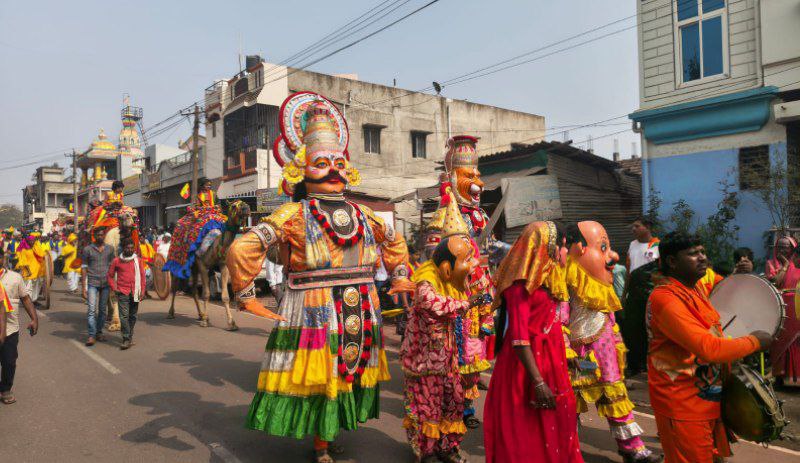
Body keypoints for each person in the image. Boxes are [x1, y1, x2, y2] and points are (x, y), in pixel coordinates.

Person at [225, 92, 413, 463]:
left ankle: (328, 435)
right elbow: (241, 249)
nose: (333, 169)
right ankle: (321, 443)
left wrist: (401, 275)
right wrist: (246, 295)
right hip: (314, 307)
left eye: (338, 162)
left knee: (346, 373)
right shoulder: (293, 214)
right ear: (301, 168)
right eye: (321, 162)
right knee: (322, 375)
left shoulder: (363, 213)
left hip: (359, 303)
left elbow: (396, 242)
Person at [647, 231, 772, 462]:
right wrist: (754, 341)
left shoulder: (694, 288)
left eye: (703, 252)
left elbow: (730, 294)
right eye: (693, 254)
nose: (702, 257)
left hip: (705, 398)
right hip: (682, 403)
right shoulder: (665, 299)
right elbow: (709, 348)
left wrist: (741, 275)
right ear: (672, 262)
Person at [484, 221, 583, 463]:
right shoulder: (519, 286)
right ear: (546, 247)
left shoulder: (550, 278)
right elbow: (519, 338)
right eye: (561, 246)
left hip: (551, 360)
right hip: (524, 368)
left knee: (558, 422)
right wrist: (538, 382)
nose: (565, 251)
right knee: (525, 431)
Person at [564, 221, 658, 463]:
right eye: (603, 247)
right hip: (576, 357)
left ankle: (632, 448)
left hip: (605, 356)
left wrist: (617, 342)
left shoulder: (604, 287)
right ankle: (565, 450)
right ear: (578, 250)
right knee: (569, 405)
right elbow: (559, 321)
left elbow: (610, 319)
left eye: (609, 247)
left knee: (616, 397)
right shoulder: (564, 285)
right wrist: (565, 350)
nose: (613, 256)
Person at [402, 191, 478, 463]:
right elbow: (431, 303)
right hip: (425, 362)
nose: (473, 265)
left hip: (451, 361)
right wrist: (465, 306)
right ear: (446, 268)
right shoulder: (426, 279)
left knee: (455, 404)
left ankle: (448, 447)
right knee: (428, 408)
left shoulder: (458, 282)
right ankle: (427, 451)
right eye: (466, 260)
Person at [163, 178, 227, 280]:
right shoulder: (197, 196)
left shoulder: (213, 194)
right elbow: (196, 207)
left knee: (224, 224)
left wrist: (215, 208)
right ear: (202, 186)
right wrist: (198, 209)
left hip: (213, 214)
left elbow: (218, 205)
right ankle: (190, 249)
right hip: (202, 215)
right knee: (184, 224)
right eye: (206, 185)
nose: (208, 187)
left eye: (210, 185)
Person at [0, 247, 38, 405]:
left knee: (9, 362)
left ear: (3, 259)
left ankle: (6, 389)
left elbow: (26, 299)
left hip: (10, 329)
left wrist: (34, 318)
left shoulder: (15, 278)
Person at [766, 236, 800, 384]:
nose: (782, 249)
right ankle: (780, 375)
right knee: (779, 338)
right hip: (779, 305)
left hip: (796, 305)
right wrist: (785, 266)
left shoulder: (797, 263)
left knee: (795, 339)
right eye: (779, 246)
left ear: (792, 249)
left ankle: (796, 376)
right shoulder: (771, 263)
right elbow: (775, 282)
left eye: (786, 246)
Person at [107, 240, 145, 350]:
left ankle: (130, 335)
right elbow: (110, 276)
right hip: (122, 291)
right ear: (123, 248)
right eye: (127, 248)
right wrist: (114, 288)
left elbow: (142, 276)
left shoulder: (138, 260)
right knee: (124, 316)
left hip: (136, 291)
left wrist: (142, 291)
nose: (129, 250)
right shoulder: (117, 261)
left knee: (133, 316)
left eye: (131, 248)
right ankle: (126, 338)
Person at [81, 227, 115, 346]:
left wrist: (113, 284)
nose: (100, 237)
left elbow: (112, 267)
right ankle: (91, 335)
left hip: (105, 284)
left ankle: (99, 332)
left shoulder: (110, 249)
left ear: (104, 236)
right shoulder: (87, 250)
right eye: (98, 235)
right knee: (91, 310)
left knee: (102, 310)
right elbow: (84, 268)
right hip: (92, 283)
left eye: (102, 235)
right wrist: (83, 287)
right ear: (94, 236)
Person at [15, 233, 46, 304]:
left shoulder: (36, 247)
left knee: (37, 286)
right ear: (27, 241)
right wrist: (28, 271)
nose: (32, 242)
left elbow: (42, 255)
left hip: (37, 271)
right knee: (28, 287)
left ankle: (34, 300)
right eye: (31, 241)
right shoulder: (24, 250)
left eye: (33, 241)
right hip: (28, 271)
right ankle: (28, 302)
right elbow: (23, 262)